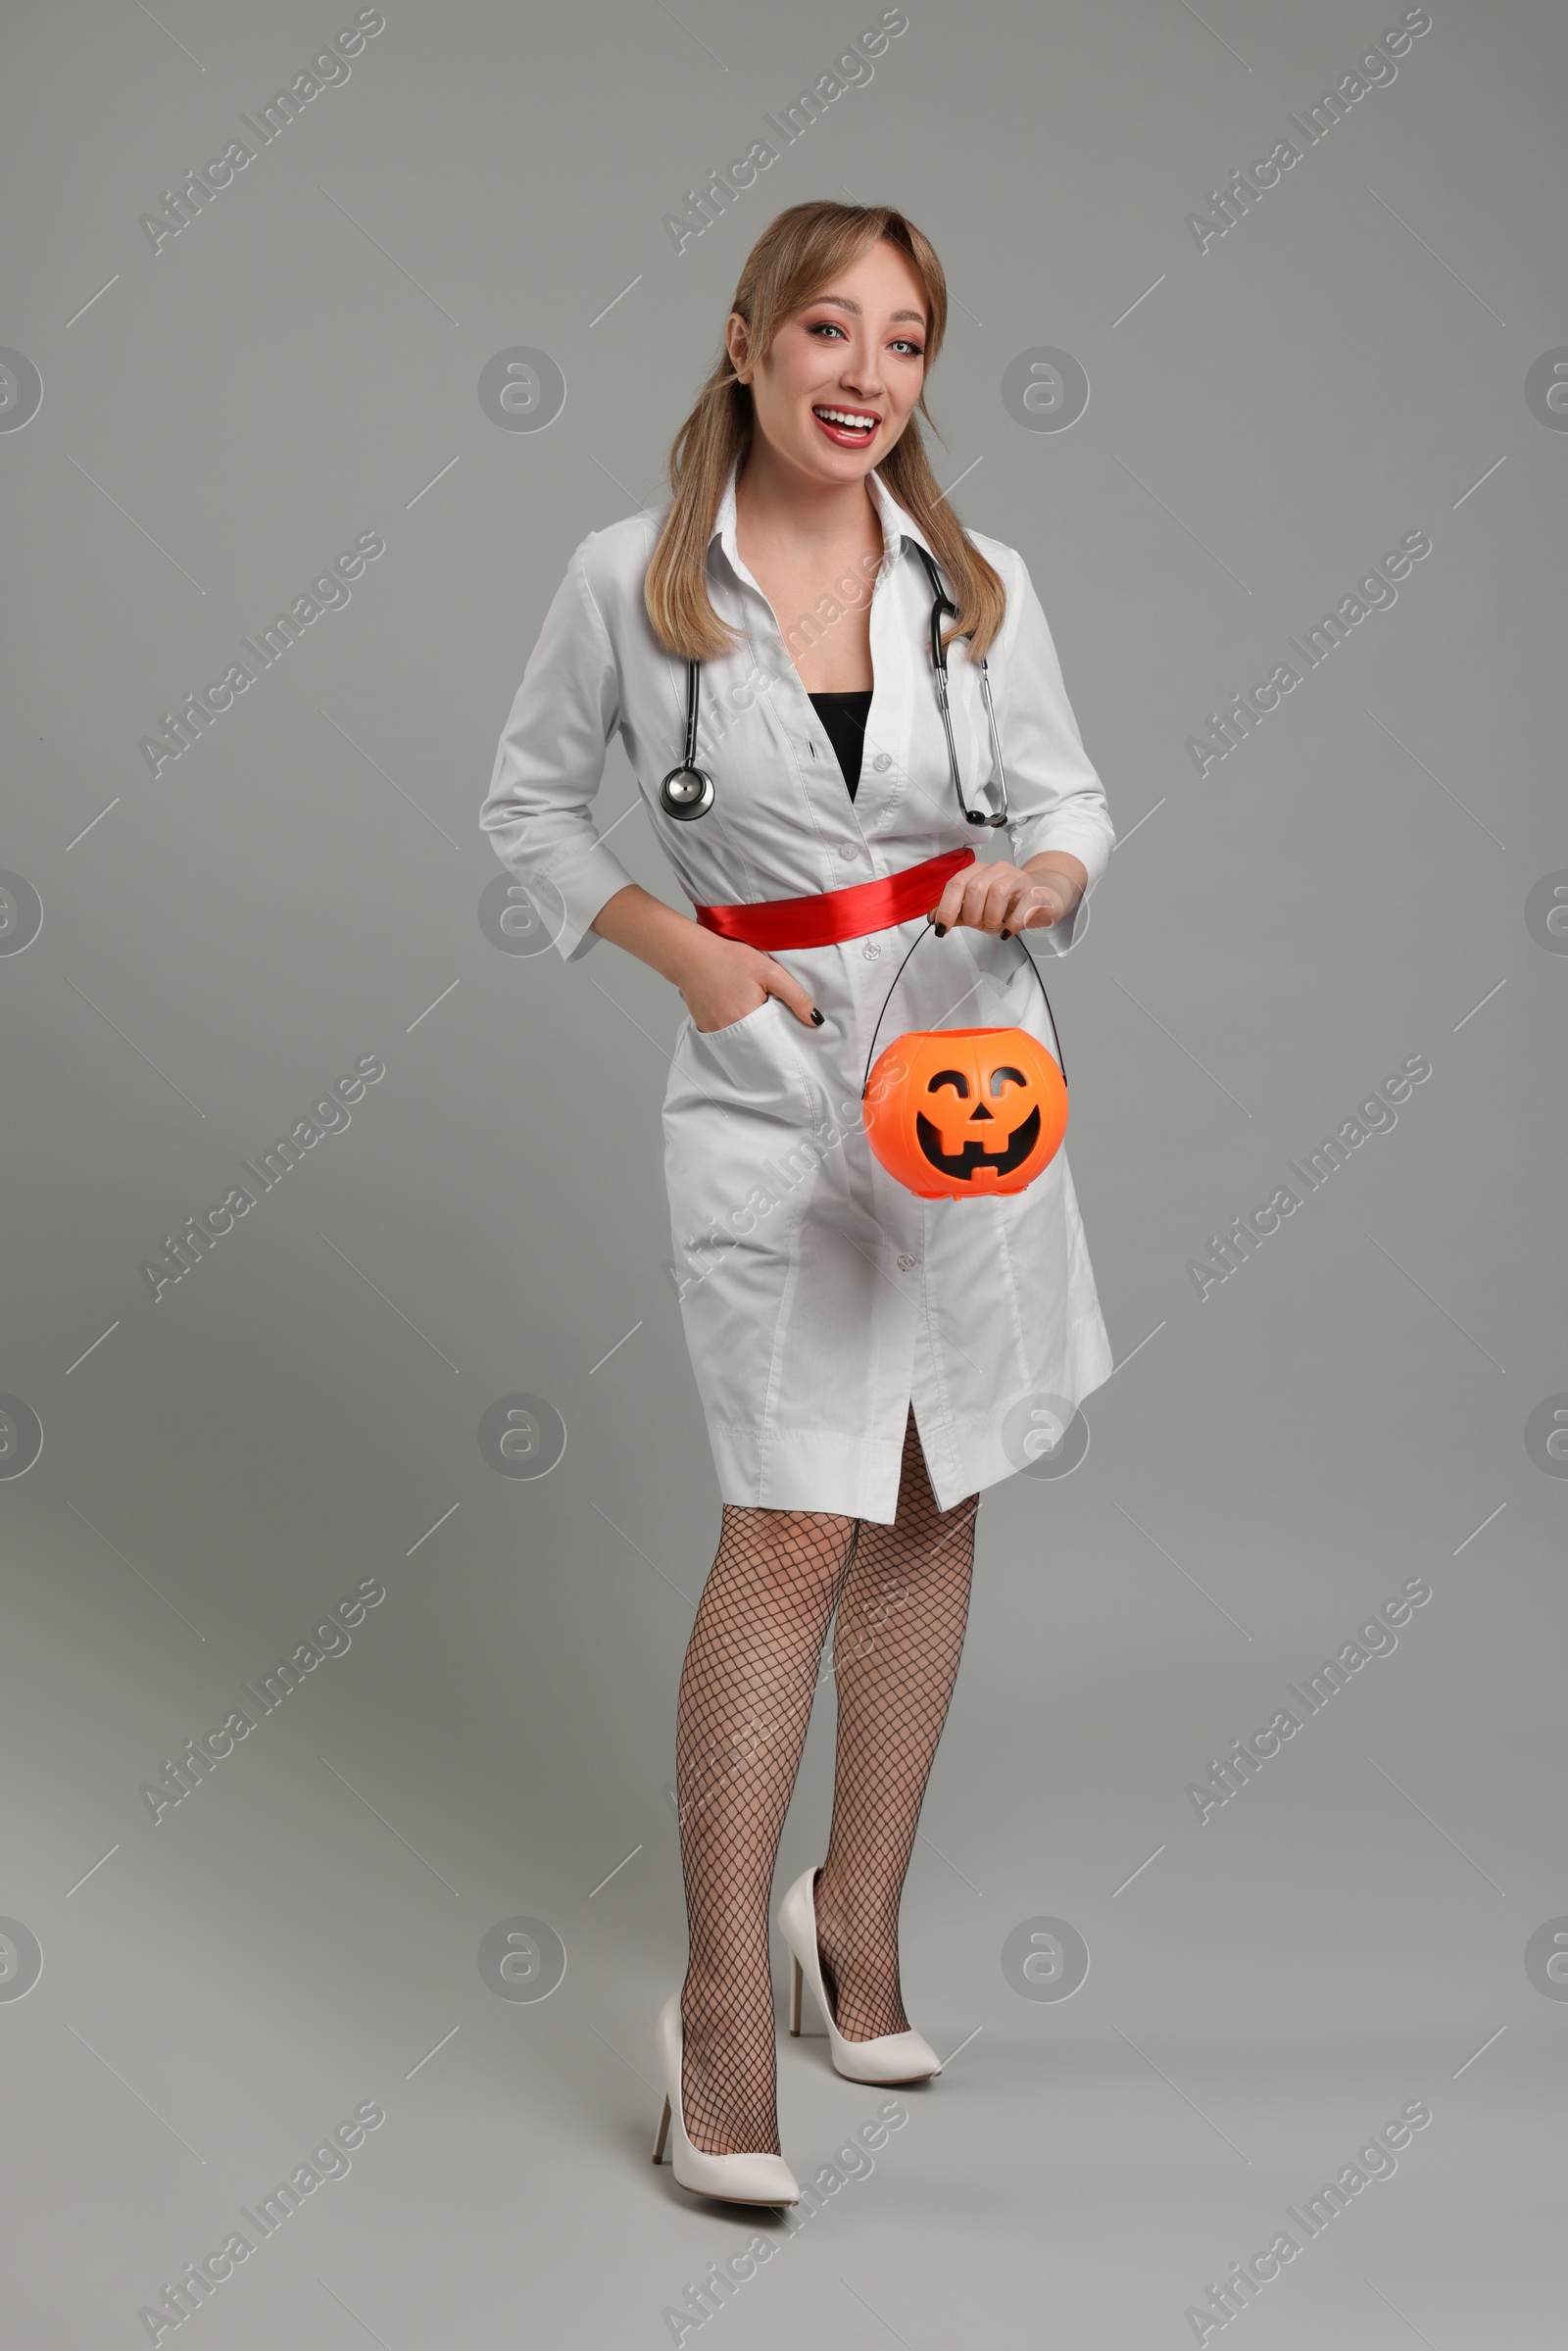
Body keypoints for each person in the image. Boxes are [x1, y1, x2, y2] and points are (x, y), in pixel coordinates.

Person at [479, 200, 1115, 2207]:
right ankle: (719, 2019)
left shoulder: (979, 583)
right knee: (786, 1524)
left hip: (967, 1088)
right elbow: (520, 808)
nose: (861, 376)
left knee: (932, 1493)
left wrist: (1045, 878)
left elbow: (1071, 799)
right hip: (765, 1104)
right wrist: (683, 958)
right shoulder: (633, 580)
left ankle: (858, 1924)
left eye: (903, 342)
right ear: (741, 341)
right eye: (826, 331)